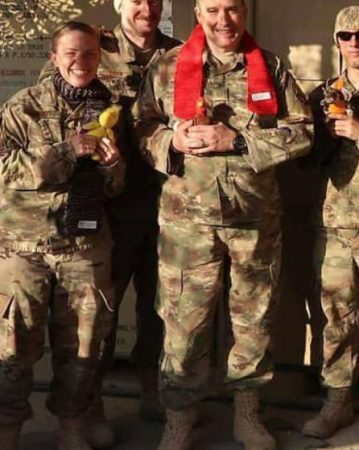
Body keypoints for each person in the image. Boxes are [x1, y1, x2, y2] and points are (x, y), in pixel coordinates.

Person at [133, 0, 312, 448]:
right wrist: (170, 139)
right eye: (213, 9)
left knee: (253, 320)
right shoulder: (168, 66)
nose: (223, 19)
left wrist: (239, 140)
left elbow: (303, 130)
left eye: (232, 9)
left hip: (254, 220)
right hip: (186, 223)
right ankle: (179, 418)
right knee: (182, 321)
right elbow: (141, 125)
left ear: (244, 12)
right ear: (198, 13)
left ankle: (247, 414)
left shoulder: (268, 66)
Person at [39, 1, 182, 443]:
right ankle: (91, 404)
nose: (147, 7)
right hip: (105, 207)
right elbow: (54, 103)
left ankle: (154, 392)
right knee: (99, 314)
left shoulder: (182, 54)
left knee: (161, 309)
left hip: (170, 202)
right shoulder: (93, 48)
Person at [0, 21, 125, 450]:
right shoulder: (24, 106)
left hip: (85, 247)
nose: (81, 62)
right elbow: (2, 168)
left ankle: (71, 429)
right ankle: (7, 431)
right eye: (71, 53)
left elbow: (116, 189)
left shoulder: (111, 109)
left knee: (83, 349)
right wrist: (63, 153)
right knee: (13, 348)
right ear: (53, 57)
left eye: (89, 54)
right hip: (24, 246)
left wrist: (111, 167)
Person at [300, 5, 359, 439]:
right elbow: (306, 159)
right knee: (336, 315)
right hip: (335, 220)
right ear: (337, 42)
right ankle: (338, 399)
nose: (354, 43)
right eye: (345, 36)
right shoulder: (323, 93)